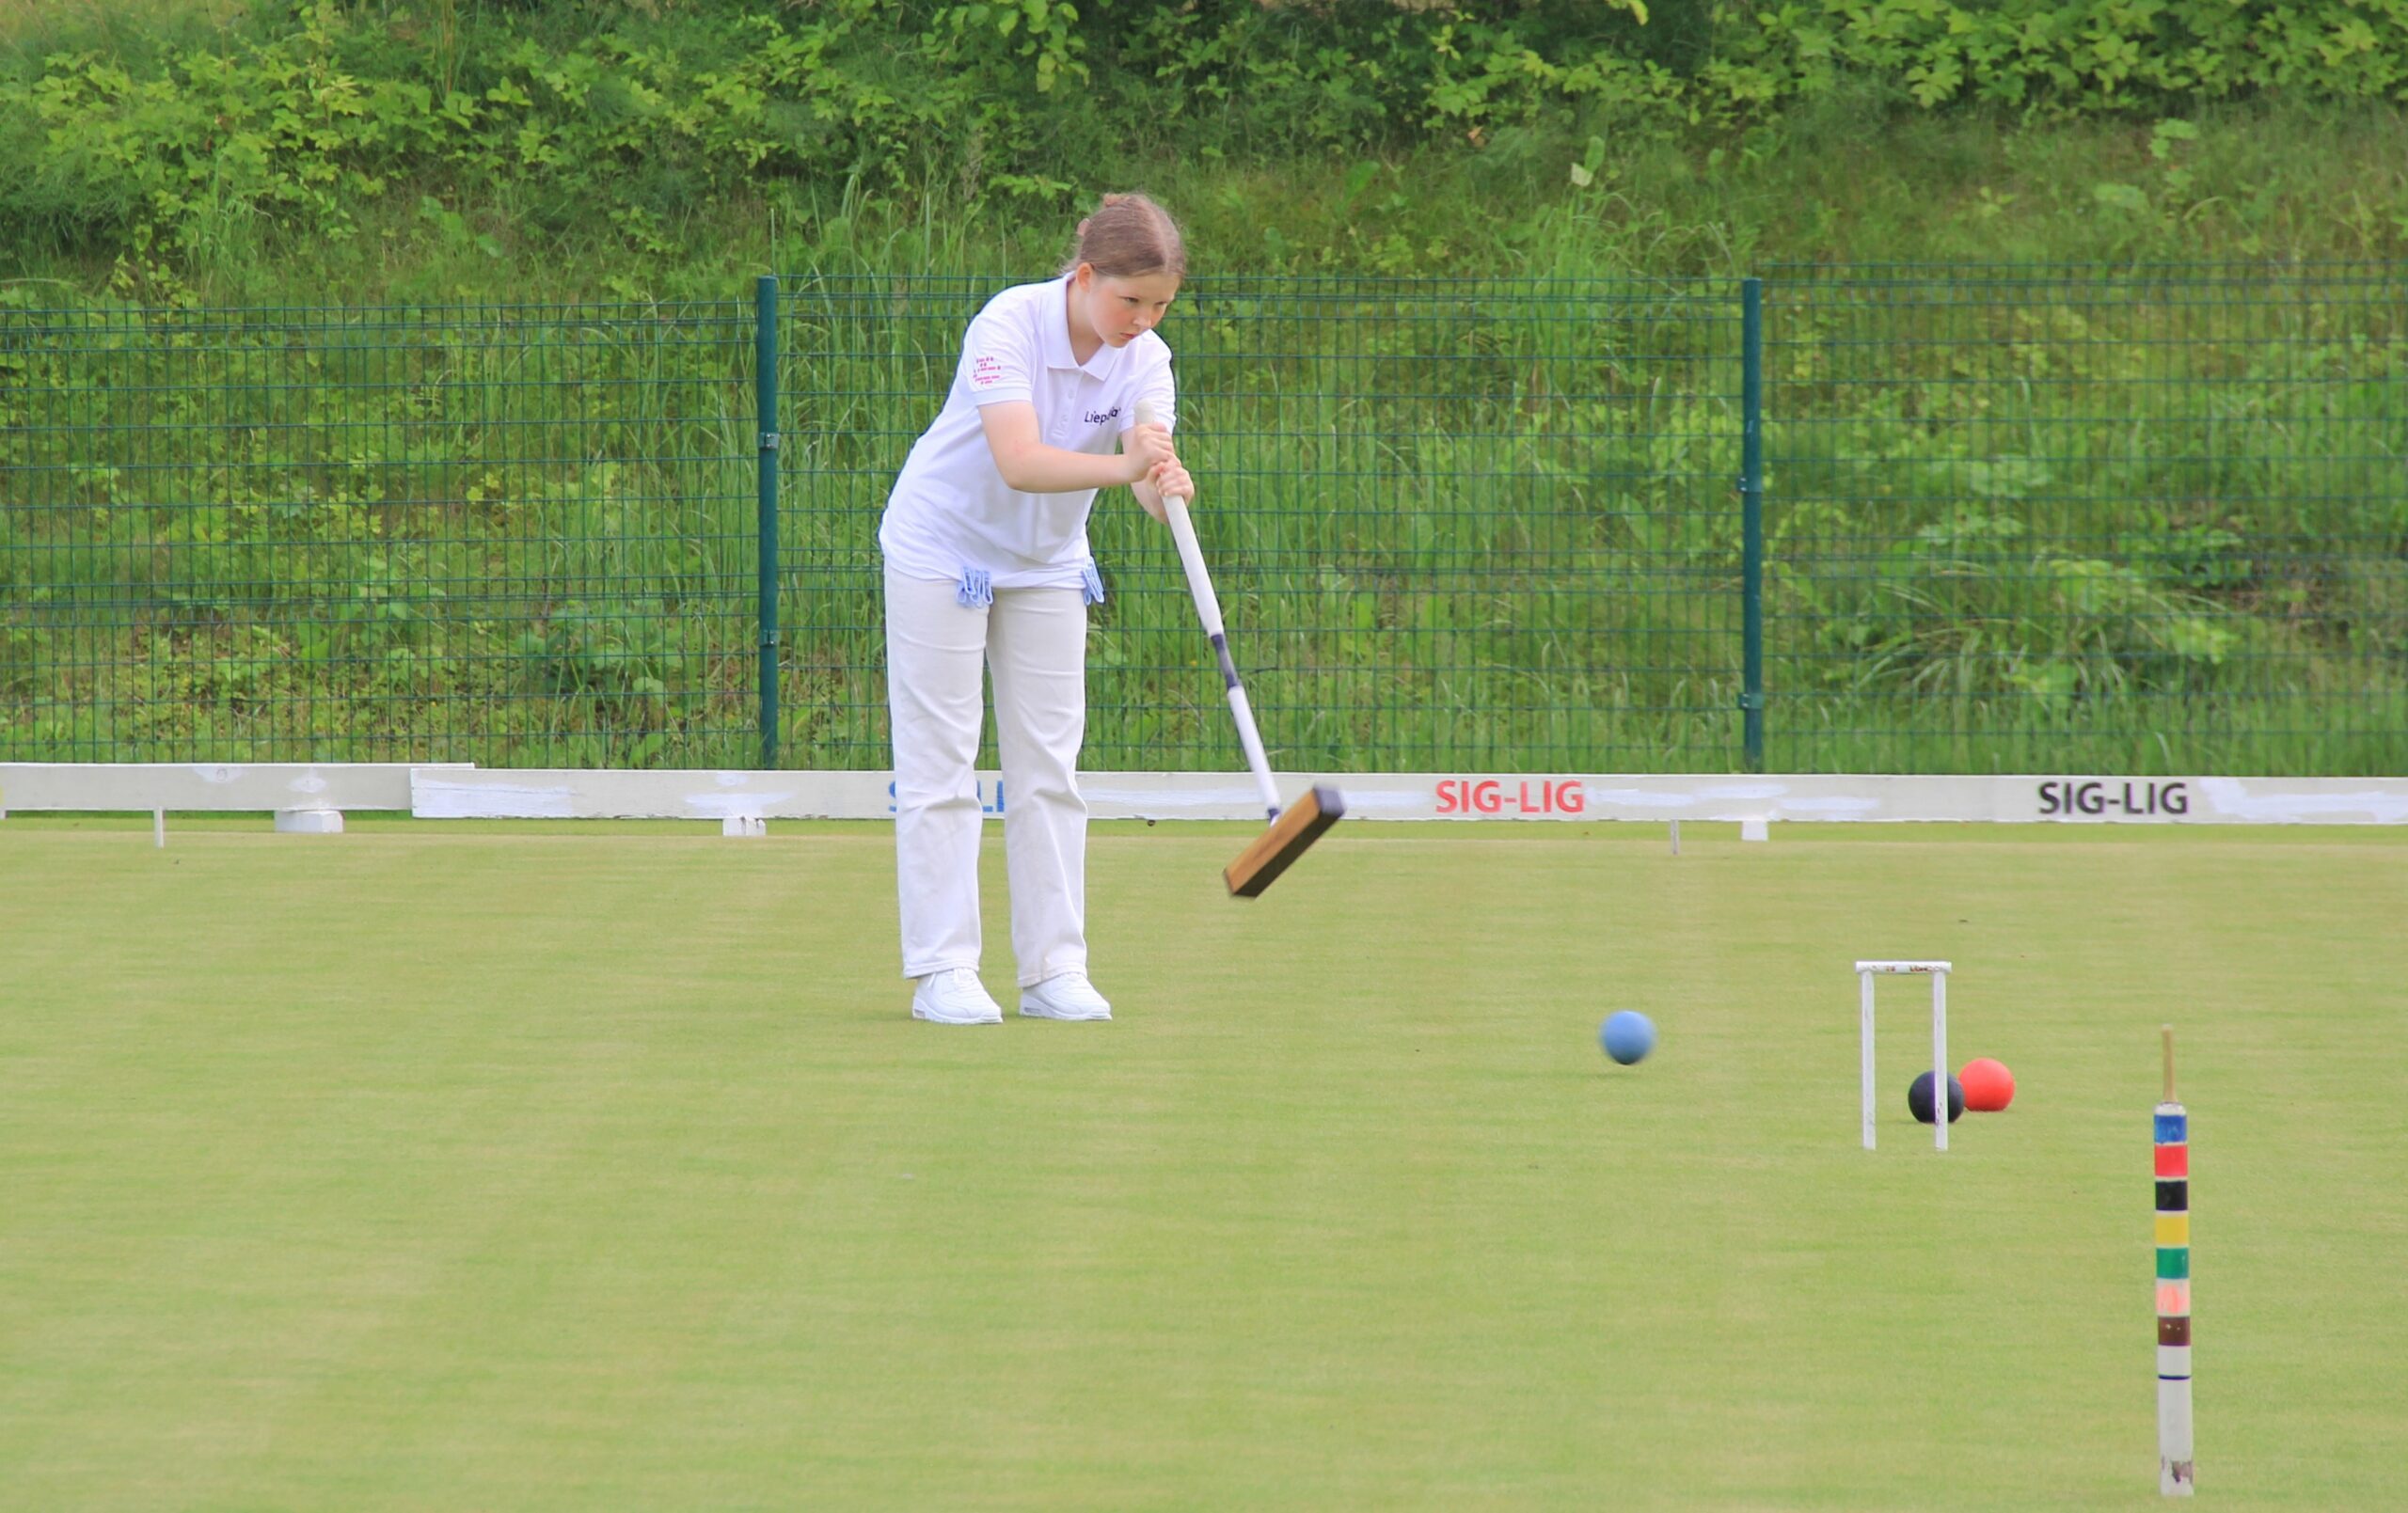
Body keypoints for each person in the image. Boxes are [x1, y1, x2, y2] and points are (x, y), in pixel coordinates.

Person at [879, 193, 1193, 1025]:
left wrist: (1165, 484)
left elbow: (1145, 469)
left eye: (1160, 303)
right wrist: (1128, 471)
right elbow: (1018, 461)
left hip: (1050, 561)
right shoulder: (1007, 325)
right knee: (941, 764)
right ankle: (944, 968)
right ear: (1086, 277)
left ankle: (1054, 968)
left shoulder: (1147, 359)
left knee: (1049, 766)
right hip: (942, 546)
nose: (1143, 319)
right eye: (1130, 299)